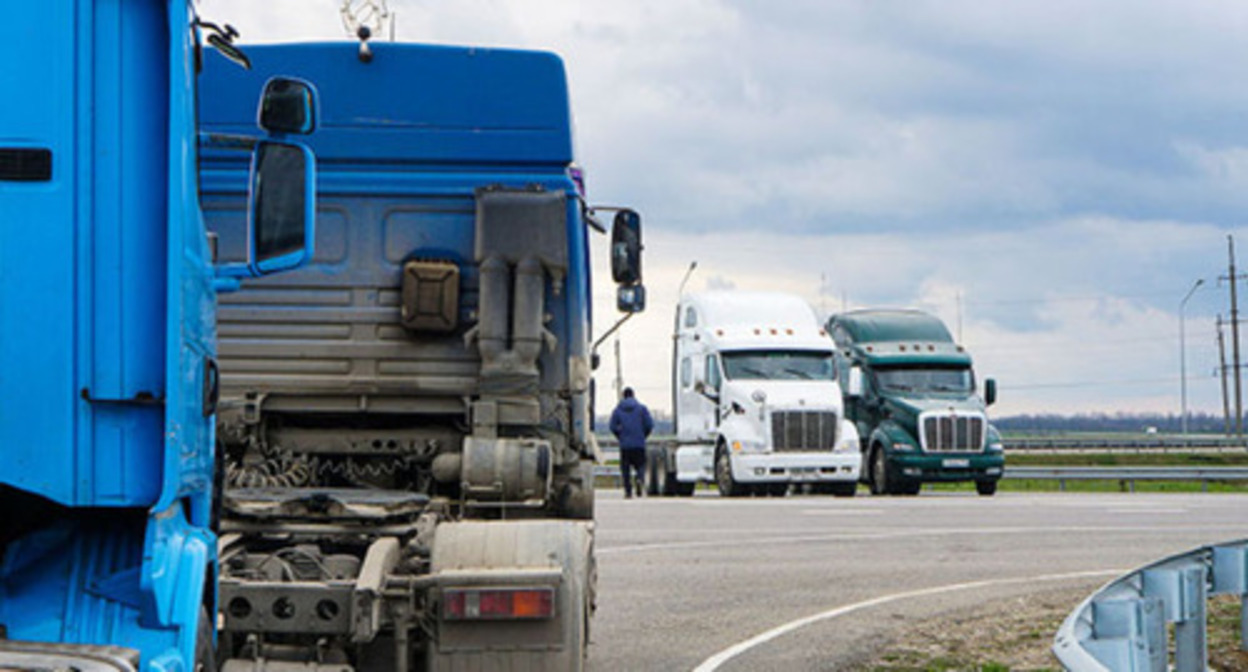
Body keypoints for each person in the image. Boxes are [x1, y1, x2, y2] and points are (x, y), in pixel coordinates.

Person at [609, 387, 654, 498]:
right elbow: (649, 425)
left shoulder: (618, 410)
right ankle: (639, 479)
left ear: (623, 396)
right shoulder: (642, 409)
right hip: (639, 443)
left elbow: (612, 426)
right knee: (641, 465)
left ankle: (628, 491)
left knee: (625, 469)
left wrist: (620, 436)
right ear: (633, 395)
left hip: (625, 445)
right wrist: (644, 435)